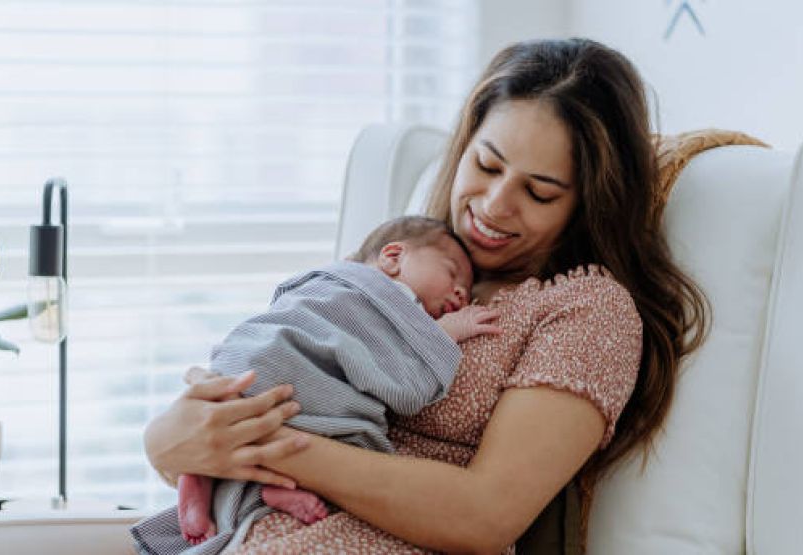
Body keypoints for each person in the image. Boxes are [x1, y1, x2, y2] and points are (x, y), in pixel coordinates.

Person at [141, 38, 709, 554]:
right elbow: (290, 353)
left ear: (589, 203)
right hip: (260, 519)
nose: (493, 205)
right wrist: (167, 439)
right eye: (486, 164)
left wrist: (269, 449)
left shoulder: (588, 312)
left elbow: (485, 517)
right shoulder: (406, 260)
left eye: (538, 193)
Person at [132, 216, 503, 554]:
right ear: (393, 257)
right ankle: (276, 485)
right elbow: (404, 390)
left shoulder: (319, 283)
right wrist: (444, 334)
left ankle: (201, 481)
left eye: (466, 293)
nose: (459, 294)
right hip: (291, 381)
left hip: (243, 362)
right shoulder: (384, 299)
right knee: (356, 442)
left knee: (229, 421)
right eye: (452, 274)